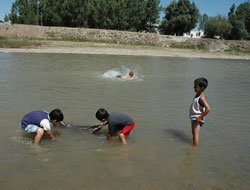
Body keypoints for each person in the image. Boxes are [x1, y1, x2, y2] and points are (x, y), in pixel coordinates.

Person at [189, 78, 211, 147]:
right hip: (194, 117)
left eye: (196, 86)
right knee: (193, 133)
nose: (194, 88)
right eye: (194, 86)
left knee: (196, 134)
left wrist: (200, 117)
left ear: (202, 88)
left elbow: (208, 109)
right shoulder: (197, 95)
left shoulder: (202, 98)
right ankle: (193, 145)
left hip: (197, 118)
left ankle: (194, 149)